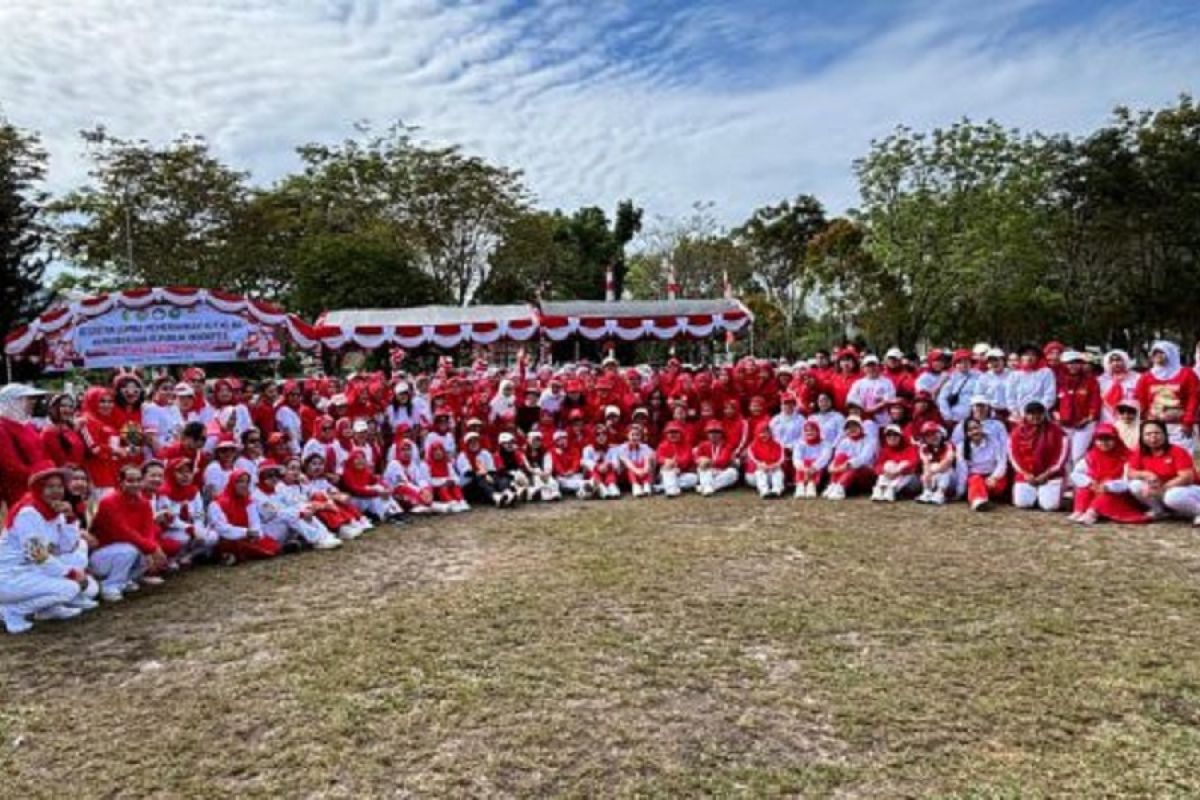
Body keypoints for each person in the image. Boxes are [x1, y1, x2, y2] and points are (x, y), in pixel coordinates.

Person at [0, 463, 96, 634]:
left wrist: (70, 519)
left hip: (33, 570)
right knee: (72, 588)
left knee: (88, 585)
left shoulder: (54, 509)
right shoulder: (28, 512)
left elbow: (67, 547)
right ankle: (13, 610)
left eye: (59, 486)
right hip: (10, 575)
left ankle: (49, 609)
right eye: (49, 487)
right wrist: (71, 574)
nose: (56, 491)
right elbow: (37, 554)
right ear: (38, 489)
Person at [89, 464, 168, 601]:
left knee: (142, 550)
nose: (135, 484)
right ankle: (109, 585)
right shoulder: (109, 502)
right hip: (100, 555)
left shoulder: (144, 503)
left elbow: (147, 530)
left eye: (138, 480)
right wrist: (152, 548)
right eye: (130, 481)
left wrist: (153, 549)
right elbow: (123, 532)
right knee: (130, 549)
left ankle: (124, 580)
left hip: (122, 550)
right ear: (120, 482)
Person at [254, 461, 342, 551]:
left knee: (303, 509)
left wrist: (307, 508)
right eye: (269, 476)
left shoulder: (277, 490)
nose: (274, 478)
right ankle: (317, 540)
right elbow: (273, 514)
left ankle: (324, 534)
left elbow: (293, 503)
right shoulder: (257, 496)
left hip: (284, 525)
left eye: (276, 475)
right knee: (293, 515)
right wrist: (299, 513)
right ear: (261, 477)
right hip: (268, 529)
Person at [1068, 423, 1145, 525]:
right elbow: (1076, 474)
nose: (1104, 443)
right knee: (1083, 489)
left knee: (1107, 495)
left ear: (1116, 439)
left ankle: (1092, 512)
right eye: (1100, 439)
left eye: (1108, 439)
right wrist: (1090, 482)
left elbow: (1127, 481)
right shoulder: (1091, 456)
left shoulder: (1126, 456)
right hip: (1096, 487)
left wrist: (1109, 486)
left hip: (1118, 492)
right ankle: (1079, 510)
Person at [1124, 420, 1196, 521]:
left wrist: (1163, 488)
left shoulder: (1177, 451)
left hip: (1184, 489)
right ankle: (1158, 511)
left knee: (1172, 496)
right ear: (1142, 437)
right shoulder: (1140, 452)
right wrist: (1146, 474)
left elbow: (1187, 477)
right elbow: (1130, 473)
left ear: (1165, 434)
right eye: (1148, 434)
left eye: (1157, 433)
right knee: (1135, 485)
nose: (1153, 437)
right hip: (1158, 490)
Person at [1135, 341, 1199, 450]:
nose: (1158, 356)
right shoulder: (1146, 377)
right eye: (1155, 353)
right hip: (1156, 426)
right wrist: (1146, 423)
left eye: (1162, 352)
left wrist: (1188, 422)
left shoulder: (1187, 374)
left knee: (1182, 459)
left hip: (1180, 426)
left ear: (1171, 353)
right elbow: (1142, 401)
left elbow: (1193, 399)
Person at [208, 469, 281, 564]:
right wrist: (245, 532)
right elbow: (221, 527)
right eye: (240, 481)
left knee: (272, 544)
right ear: (232, 483)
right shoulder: (217, 503)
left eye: (246, 482)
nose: (244, 485)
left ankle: (235, 556)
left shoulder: (248, 501)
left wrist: (255, 533)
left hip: (247, 537)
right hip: (228, 537)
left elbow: (255, 522)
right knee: (232, 544)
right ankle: (229, 555)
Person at [156, 457, 218, 565]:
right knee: (183, 538)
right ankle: (173, 559)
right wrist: (190, 528)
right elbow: (170, 520)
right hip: (171, 530)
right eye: (180, 472)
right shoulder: (165, 492)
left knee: (213, 536)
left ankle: (190, 556)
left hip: (192, 527)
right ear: (171, 473)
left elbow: (199, 513)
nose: (185, 476)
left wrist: (198, 527)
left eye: (189, 472)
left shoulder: (193, 490)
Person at [1008, 401, 1068, 512]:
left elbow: (1061, 458)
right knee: (1022, 503)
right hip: (1027, 475)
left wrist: (1046, 474)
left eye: (1039, 414)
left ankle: (1043, 494)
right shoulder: (1017, 432)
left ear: (1044, 414)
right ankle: (1036, 494)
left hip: (1050, 475)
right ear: (1025, 415)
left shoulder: (1057, 432)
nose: (1035, 417)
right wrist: (1025, 474)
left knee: (1050, 507)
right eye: (1031, 414)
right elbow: (1013, 456)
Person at [0, 383, 49, 508]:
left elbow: (41, 452)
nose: (33, 402)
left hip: (39, 486)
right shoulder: (3, 428)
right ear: (13, 402)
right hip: (19, 492)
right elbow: (10, 465)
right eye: (27, 399)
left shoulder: (26, 425)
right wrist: (41, 476)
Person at [1055, 350, 1101, 468]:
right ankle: (1069, 483)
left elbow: (1095, 402)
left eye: (1076, 362)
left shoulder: (1090, 380)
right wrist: (1057, 417)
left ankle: (1079, 482)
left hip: (1084, 425)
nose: (1073, 365)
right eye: (1069, 363)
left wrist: (1088, 418)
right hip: (1064, 424)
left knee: (1077, 455)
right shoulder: (1058, 381)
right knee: (1065, 455)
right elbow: (1053, 404)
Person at [954, 418, 1009, 511]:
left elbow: (1002, 462)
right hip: (975, 479)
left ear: (981, 428)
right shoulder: (961, 447)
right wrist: (960, 492)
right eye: (970, 430)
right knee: (975, 480)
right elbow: (962, 471)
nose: (975, 432)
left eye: (976, 428)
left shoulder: (994, 442)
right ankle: (979, 502)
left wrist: (994, 477)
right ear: (966, 433)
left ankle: (982, 496)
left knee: (996, 485)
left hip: (993, 477)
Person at [824, 415, 877, 500]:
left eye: (855, 426)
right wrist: (832, 467)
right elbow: (837, 457)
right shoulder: (844, 441)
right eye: (849, 427)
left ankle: (840, 487)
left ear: (861, 427)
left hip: (866, 473)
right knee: (841, 457)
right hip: (847, 473)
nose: (852, 429)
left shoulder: (870, 440)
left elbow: (864, 458)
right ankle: (833, 484)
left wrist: (847, 465)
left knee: (855, 466)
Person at [872, 425, 919, 503]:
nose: (892, 437)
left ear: (900, 436)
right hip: (890, 477)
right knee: (888, 464)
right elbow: (877, 466)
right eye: (889, 435)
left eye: (895, 435)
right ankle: (880, 488)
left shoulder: (910, 448)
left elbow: (914, 463)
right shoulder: (884, 450)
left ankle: (892, 489)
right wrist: (885, 471)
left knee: (903, 464)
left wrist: (898, 471)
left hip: (910, 481)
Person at [41, 393, 87, 468]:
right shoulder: (49, 432)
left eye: (70, 406)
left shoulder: (71, 428)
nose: (67, 409)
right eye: (63, 406)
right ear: (54, 408)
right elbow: (60, 461)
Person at [694, 420, 739, 496]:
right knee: (701, 468)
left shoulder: (727, 446)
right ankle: (707, 487)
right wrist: (701, 461)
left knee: (733, 472)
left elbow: (723, 461)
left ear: (721, 434)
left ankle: (706, 487)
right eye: (711, 432)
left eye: (716, 432)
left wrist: (708, 461)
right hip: (707, 470)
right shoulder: (702, 445)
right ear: (707, 434)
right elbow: (696, 458)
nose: (713, 434)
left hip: (722, 471)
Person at [916, 421, 956, 505]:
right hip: (932, 477)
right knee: (926, 470)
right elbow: (925, 463)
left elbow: (948, 461)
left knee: (944, 469)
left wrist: (934, 469)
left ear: (940, 433)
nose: (932, 437)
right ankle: (927, 491)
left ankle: (940, 493)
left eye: (934, 433)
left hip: (950, 479)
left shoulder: (948, 445)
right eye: (928, 435)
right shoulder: (923, 447)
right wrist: (930, 471)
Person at [656, 422, 698, 497]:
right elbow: (659, 458)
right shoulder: (662, 445)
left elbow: (687, 459)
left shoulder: (686, 445)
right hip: (666, 472)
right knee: (667, 467)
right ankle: (671, 490)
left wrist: (678, 467)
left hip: (681, 472)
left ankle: (662, 487)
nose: (673, 435)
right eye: (670, 432)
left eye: (676, 432)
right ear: (666, 434)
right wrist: (668, 462)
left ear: (680, 433)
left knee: (694, 478)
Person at [744, 421, 786, 498]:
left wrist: (773, 466)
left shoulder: (778, 445)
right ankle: (764, 491)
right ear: (757, 433)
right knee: (760, 472)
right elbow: (753, 461)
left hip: (772, 473)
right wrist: (761, 465)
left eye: (766, 432)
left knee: (778, 472)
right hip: (755, 476)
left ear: (770, 433)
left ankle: (777, 491)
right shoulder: (751, 447)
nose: (764, 435)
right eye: (761, 433)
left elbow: (781, 460)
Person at [793, 420, 832, 499]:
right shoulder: (800, 443)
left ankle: (811, 485)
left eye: (812, 430)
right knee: (804, 462)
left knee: (813, 461)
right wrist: (804, 468)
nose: (809, 433)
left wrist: (814, 467)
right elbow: (796, 458)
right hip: (804, 469)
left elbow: (825, 457)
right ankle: (800, 485)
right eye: (806, 431)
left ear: (817, 431)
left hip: (820, 469)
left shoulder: (825, 443)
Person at [616, 425, 656, 498]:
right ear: (627, 435)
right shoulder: (622, 448)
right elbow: (627, 463)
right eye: (632, 435)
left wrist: (645, 470)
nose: (635, 437)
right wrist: (637, 471)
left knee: (648, 460)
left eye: (637, 435)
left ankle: (646, 485)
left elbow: (647, 460)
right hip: (627, 474)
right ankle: (636, 486)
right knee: (632, 465)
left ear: (640, 436)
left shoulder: (645, 447)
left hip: (643, 472)